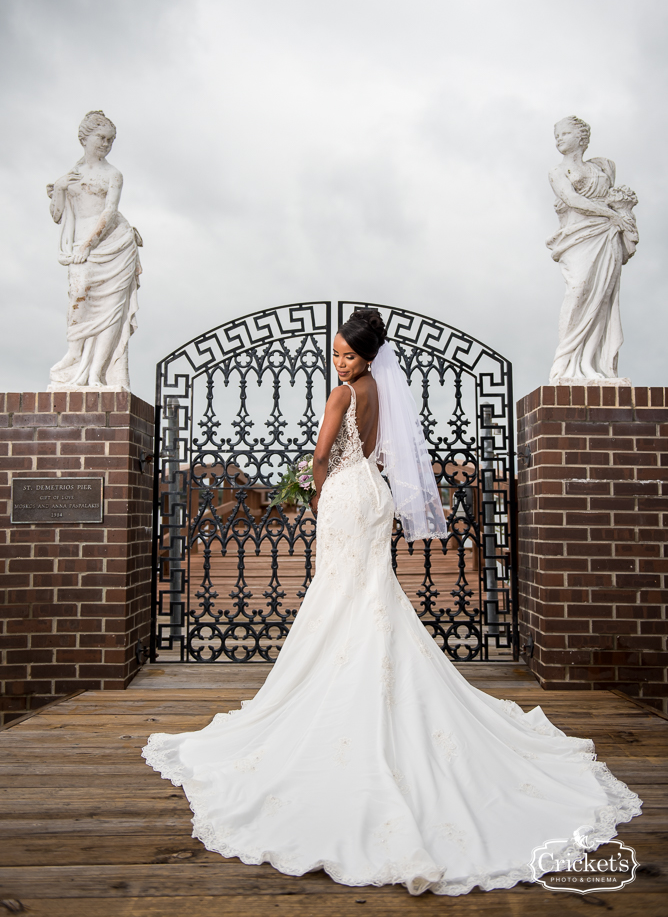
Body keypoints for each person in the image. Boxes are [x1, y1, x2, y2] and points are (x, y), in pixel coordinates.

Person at [143, 308, 641, 896]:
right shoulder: (378, 391)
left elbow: (321, 458)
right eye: (335, 354)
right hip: (373, 496)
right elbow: (379, 453)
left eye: (347, 355)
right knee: (365, 591)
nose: (339, 361)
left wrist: (315, 492)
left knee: (342, 589)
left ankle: (340, 682)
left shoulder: (341, 396)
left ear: (366, 356)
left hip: (348, 498)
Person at [48, 110, 141, 390]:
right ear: (84, 137)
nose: (105, 144)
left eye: (110, 140)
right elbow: (56, 216)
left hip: (113, 243)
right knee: (78, 293)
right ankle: (75, 353)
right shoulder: (69, 176)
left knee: (112, 310)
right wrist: (61, 190)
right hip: (80, 246)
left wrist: (88, 245)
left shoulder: (113, 174)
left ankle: (97, 373)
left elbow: (110, 212)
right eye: (101, 138)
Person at [547, 116, 638, 385]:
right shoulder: (557, 172)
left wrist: (621, 213)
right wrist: (611, 214)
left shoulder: (604, 167)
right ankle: (565, 362)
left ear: (581, 137)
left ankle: (592, 363)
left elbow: (613, 197)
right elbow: (572, 199)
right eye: (556, 136)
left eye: (564, 133)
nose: (559, 139)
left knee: (602, 297)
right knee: (579, 291)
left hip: (606, 236)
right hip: (577, 238)